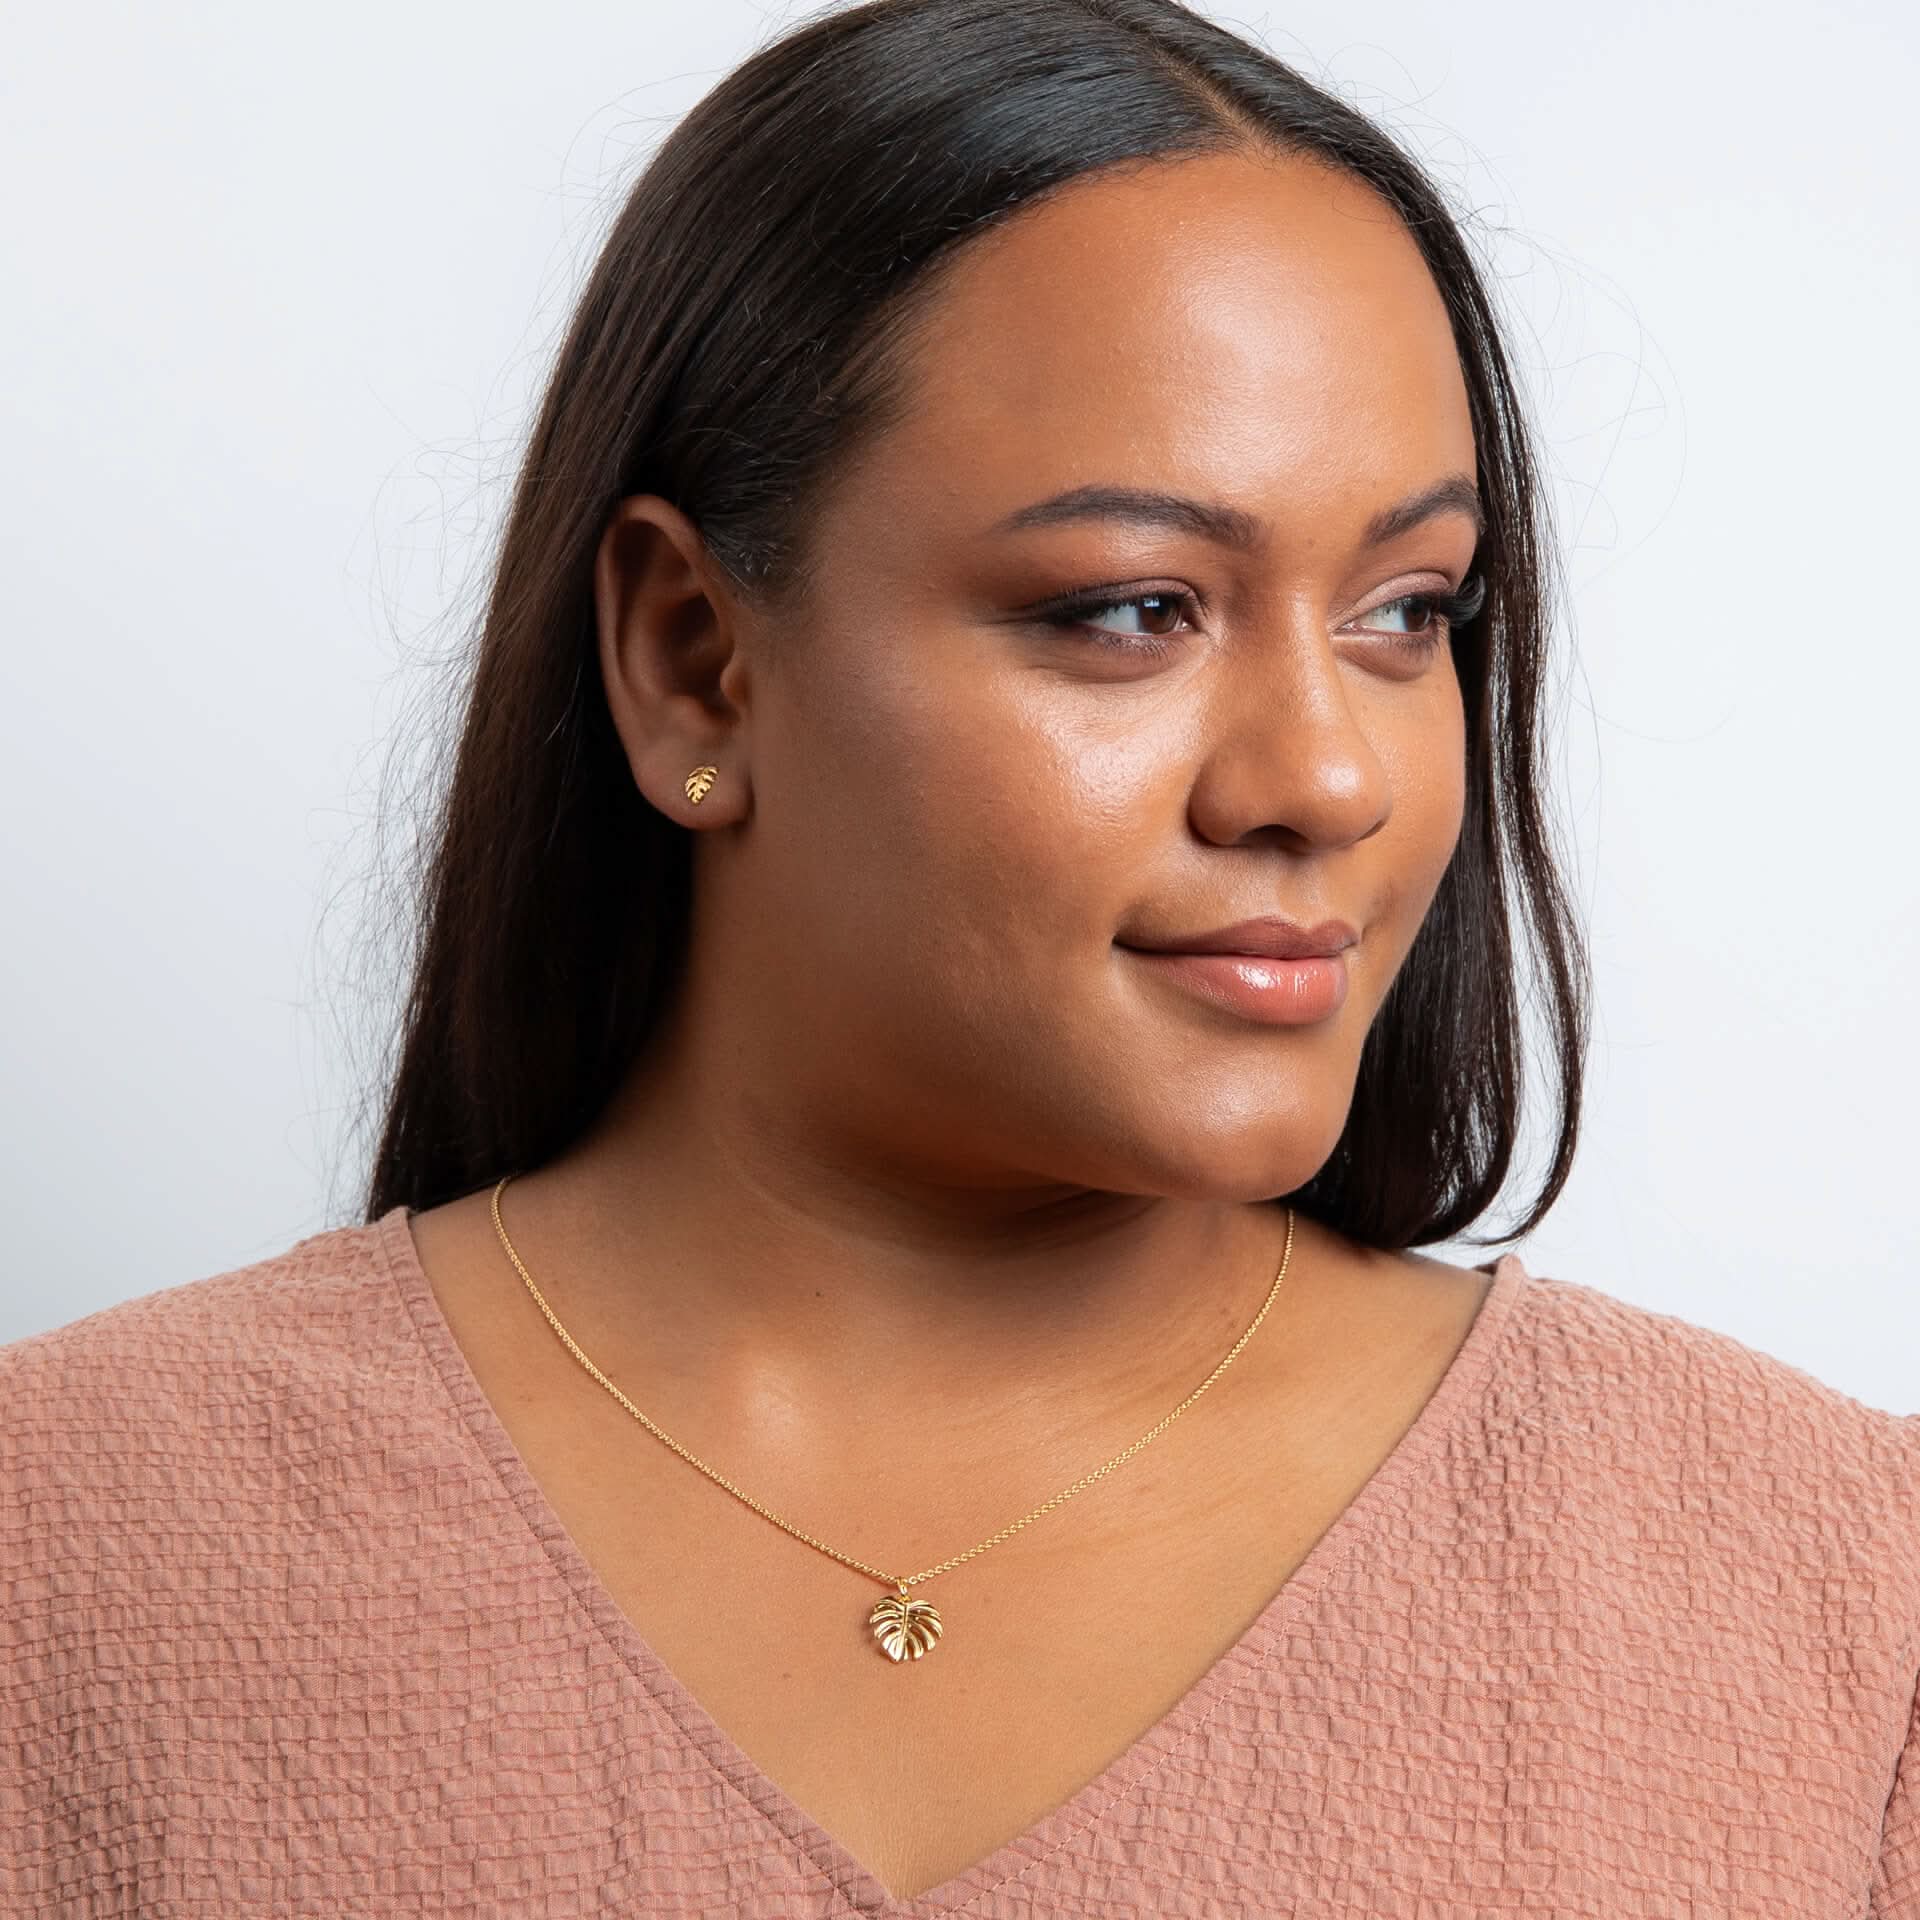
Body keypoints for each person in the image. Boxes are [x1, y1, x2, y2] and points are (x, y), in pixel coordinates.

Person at [4, 0, 1916, 1911]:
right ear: (694, 660)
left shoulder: (1832, 1595)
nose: (1330, 778)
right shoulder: (70, 1546)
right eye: (1133, 609)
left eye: (1407, 611)